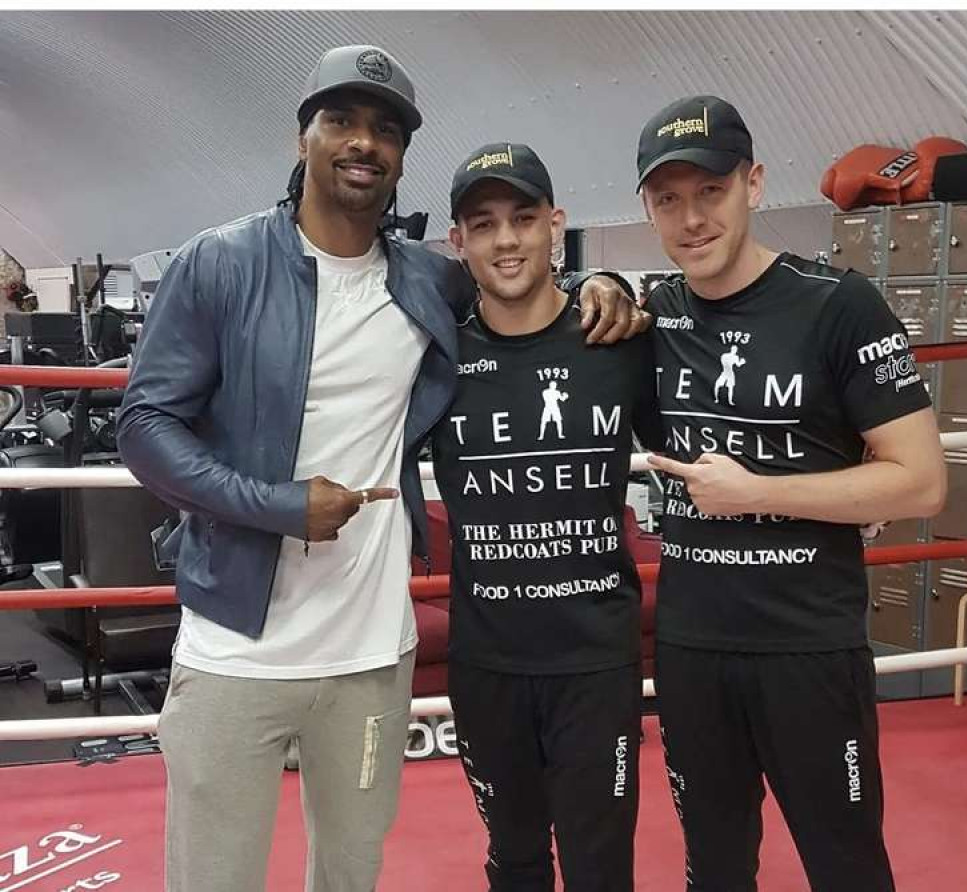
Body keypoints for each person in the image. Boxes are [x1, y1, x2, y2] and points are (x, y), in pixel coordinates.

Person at [117, 45, 643, 892]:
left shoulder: (427, 282)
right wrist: (275, 505)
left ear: (401, 156)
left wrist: (603, 279)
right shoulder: (218, 263)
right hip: (234, 652)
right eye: (343, 120)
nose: (363, 142)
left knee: (351, 876)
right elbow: (142, 428)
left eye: (385, 129)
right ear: (304, 137)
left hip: (369, 655)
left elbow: (518, 276)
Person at [635, 95, 947, 891]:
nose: (691, 219)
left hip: (807, 645)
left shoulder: (836, 304)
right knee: (714, 867)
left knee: (845, 865)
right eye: (669, 199)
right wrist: (599, 285)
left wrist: (757, 493)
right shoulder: (653, 315)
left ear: (754, 184)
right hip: (693, 649)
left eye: (710, 191)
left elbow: (921, 481)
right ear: (648, 209)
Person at [432, 142, 662, 892]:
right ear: (456, 242)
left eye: (524, 218)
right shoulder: (435, 359)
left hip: (594, 663)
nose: (507, 240)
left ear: (555, 225)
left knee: (601, 870)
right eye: (485, 223)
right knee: (516, 862)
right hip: (488, 662)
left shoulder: (618, 340)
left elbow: (698, 442)